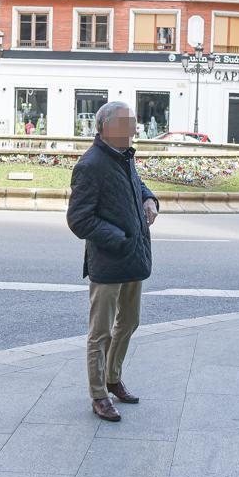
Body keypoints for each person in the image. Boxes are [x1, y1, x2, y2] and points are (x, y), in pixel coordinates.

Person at [67, 101, 160, 422]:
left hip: (134, 257)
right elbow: (79, 219)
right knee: (101, 332)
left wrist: (150, 199)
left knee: (129, 322)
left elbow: (136, 185)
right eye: (127, 124)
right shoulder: (90, 165)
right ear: (107, 128)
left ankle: (112, 376)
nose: (134, 129)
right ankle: (98, 394)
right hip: (109, 261)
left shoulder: (124, 157)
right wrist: (117, 238)